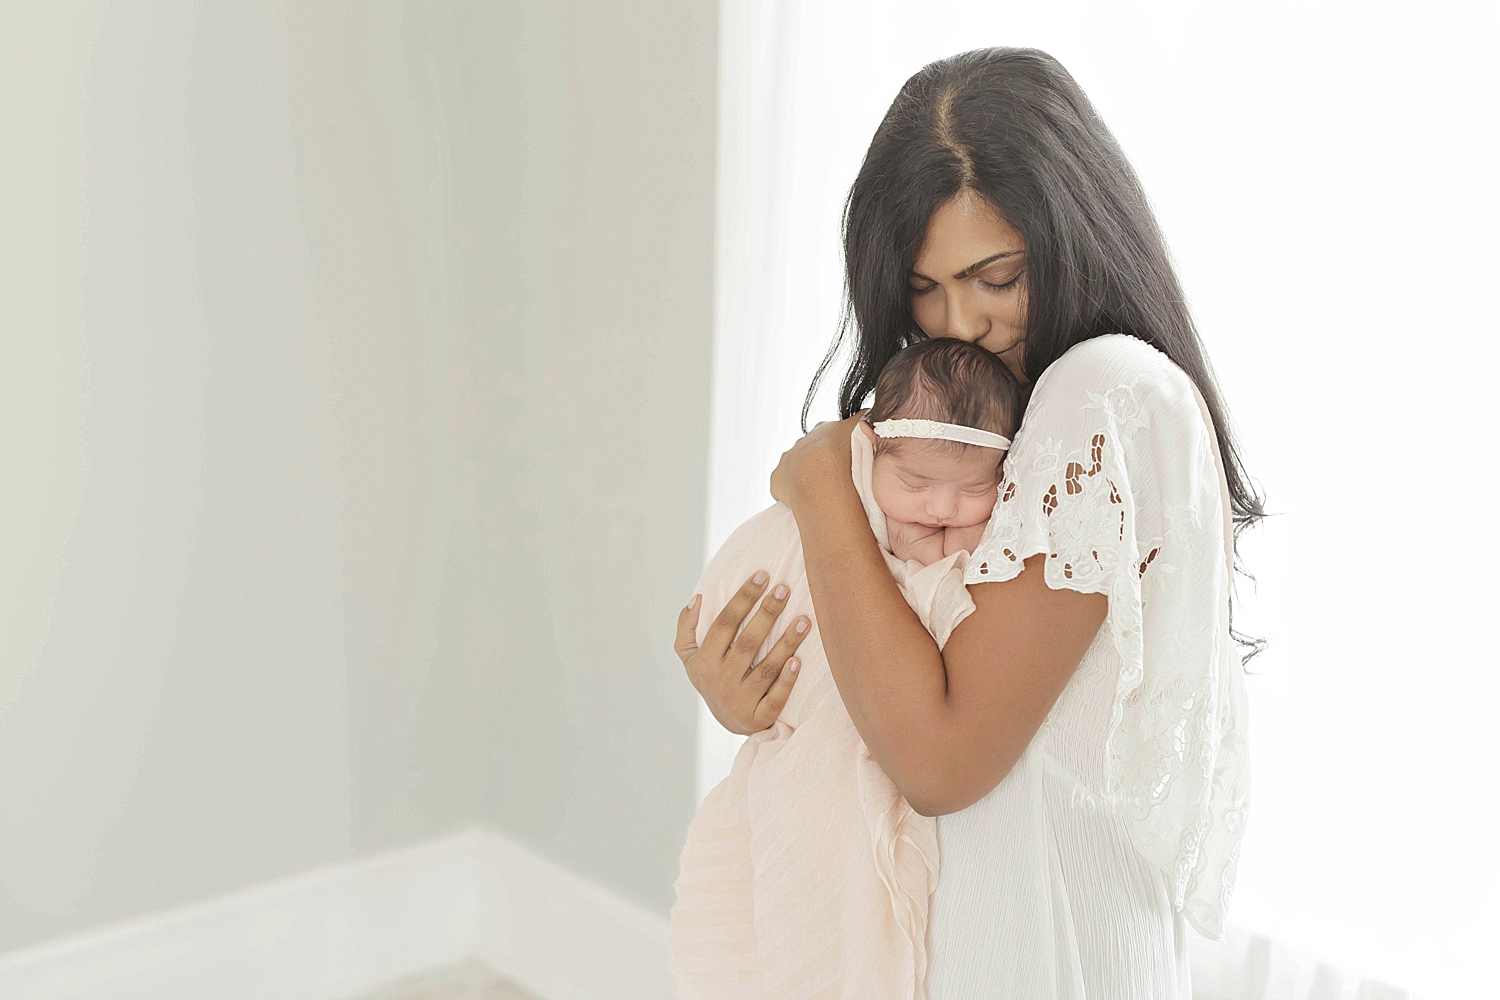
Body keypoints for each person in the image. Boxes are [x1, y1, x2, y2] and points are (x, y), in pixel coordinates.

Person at [675, 47, 1256, 998]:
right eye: (925, 288)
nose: (961, 322)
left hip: (1042, 955)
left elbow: (939, 759)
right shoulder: (995, 422)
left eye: (997, 276)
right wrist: (756, 679)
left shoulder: (1103, 394)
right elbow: (905, 653)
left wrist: (824, 490)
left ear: (1075, 233)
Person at [670, 337, 1021, 999]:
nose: (942, 509)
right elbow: (784, 512)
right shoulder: (843, 482)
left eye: (973, 490)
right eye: (916, 485)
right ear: (870, 449)